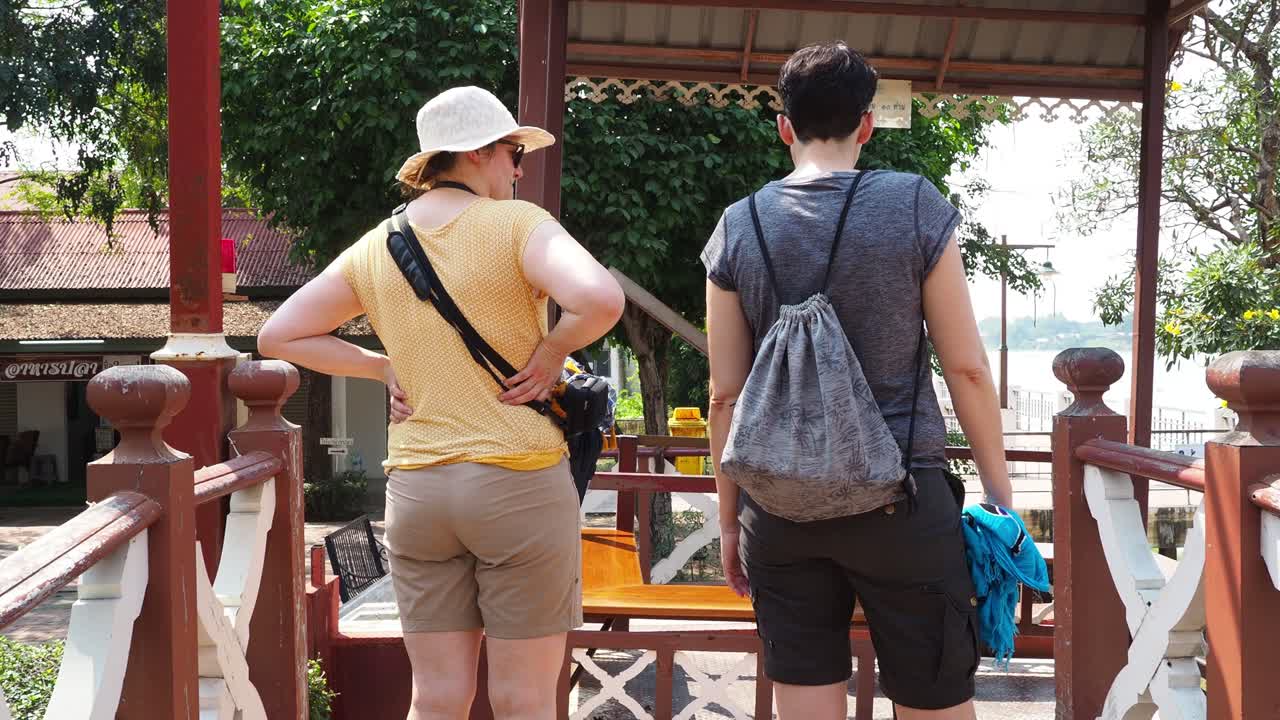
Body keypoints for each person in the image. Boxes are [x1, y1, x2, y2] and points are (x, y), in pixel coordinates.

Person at [258, 85, 625, 720]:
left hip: (419, 493)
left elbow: (279, 334)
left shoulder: (378, 245)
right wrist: (550, 353)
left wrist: (380, 367)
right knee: (524, 697)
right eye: (514, 152)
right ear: (480, 152)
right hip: (518, 482)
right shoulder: (517, 225)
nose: (517, 168)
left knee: (435, 696)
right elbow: (600, 298)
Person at [702, 43, 1014, 720]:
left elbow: (724, 394)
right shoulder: (912, 205)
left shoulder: (738, 225)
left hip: (779, 514)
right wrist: (999, 496)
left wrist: (730, 523)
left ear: (783, 126)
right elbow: (965, 368)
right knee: (935, 702)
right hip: (902, 503)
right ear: (866, 125)